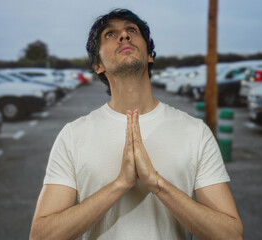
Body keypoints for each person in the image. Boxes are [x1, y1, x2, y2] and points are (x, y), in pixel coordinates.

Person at [30, 8, 243, 240]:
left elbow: (231, 234)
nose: (124, 36)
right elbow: (41, 236)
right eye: (110, 34)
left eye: (132, 30)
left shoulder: (195, 131)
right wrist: (120, 184)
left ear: (149, 55)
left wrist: (157, 184)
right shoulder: (73, 135)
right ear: (98, 65)